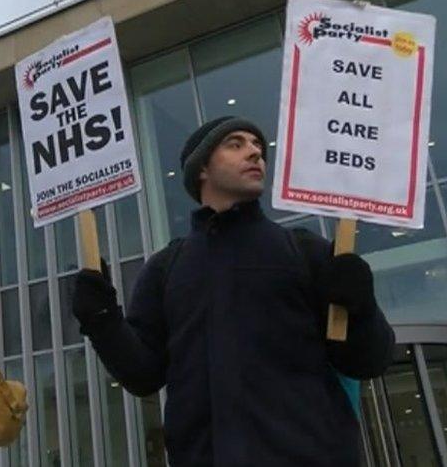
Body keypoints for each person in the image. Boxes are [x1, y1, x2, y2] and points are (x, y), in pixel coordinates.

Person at [72, 116, 395, 466]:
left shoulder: (305, 251)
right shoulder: (165, 268)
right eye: (236, 144)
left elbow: (369, 360)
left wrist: (361, 306)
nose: (256, 152)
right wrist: (100, 318)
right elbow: (142, 375)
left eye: (258, 145)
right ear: (202, 170)